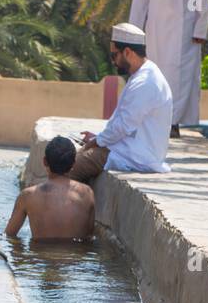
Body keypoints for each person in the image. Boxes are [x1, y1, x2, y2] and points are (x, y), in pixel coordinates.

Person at [129, 0, 208, 137]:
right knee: (155, 73)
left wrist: (198, 25)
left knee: (180, 77)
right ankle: (154, 120)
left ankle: (172, 122)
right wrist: (135, 30)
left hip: (184, 29)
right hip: (155, 28)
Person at [70, 23, 174, 183]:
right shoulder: (142, 75)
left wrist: (94, 143)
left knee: (67, 168)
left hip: (136, 157)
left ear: (127, 52)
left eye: (114, 55)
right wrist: (98, 138)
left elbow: (123, 126)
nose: (113, 61)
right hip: (128, 150)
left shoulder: (145, 81)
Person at [6, 135, 95, 241]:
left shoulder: (28, 196)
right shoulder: (87, 193)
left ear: (44, 161)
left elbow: (9, 235)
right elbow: (89, 236)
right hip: (75, 252)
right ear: (73, 163)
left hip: (39, 252)